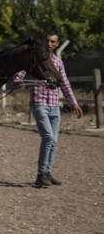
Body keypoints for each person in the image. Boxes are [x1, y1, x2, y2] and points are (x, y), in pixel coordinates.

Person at [13, 33, 83, 187]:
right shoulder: (35, 58)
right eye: (47, 41)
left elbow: (64, 84)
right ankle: (41, 174)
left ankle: (48, 173)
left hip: (54, 105)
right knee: (48, 138)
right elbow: (21, 71)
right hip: (39, 103)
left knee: (54, 141)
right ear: (43, 42)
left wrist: (74, 103)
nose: (49, 44)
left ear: (57, 44)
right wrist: (17, 80)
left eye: (52, 42)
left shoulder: (58, 62)